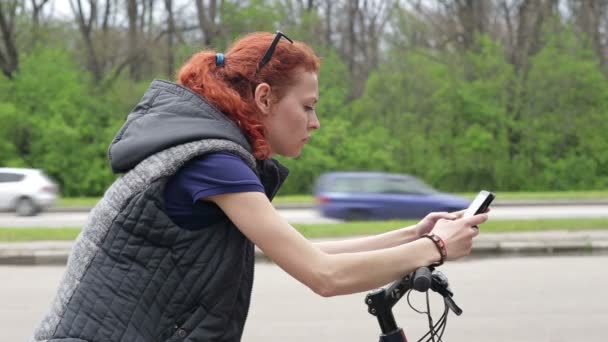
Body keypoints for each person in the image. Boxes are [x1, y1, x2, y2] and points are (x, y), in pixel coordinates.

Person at [31, 31, 487, 342]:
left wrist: (415, 234)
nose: (316, 121)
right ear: (265, 97)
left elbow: (311, 253)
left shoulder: (213, 153)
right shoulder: (214, 162)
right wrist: (436, 249)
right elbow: (324, 277)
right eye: (307, 107)